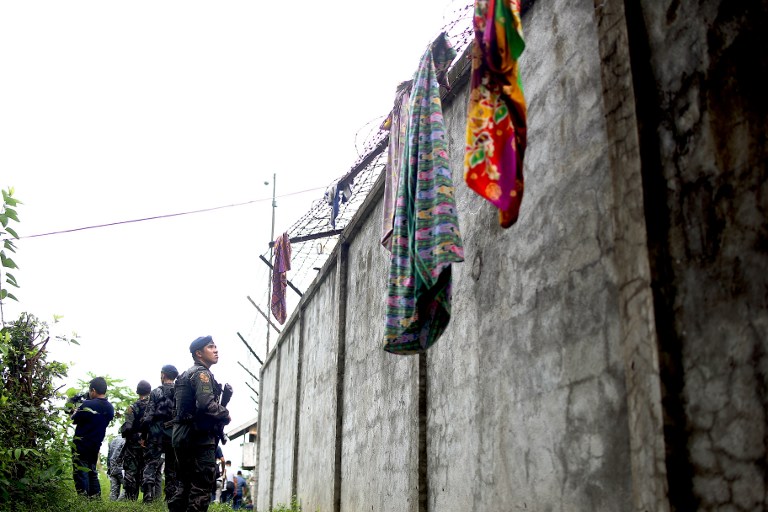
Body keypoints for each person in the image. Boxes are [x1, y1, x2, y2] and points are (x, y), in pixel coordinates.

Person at [168, 335, 231, 512]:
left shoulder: (184, 375)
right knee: (201, 486)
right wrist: (225, 413)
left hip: (181, 434)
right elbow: (205, 404)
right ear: (199, 353)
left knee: (184, 484)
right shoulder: (202, 374)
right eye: (211, 347)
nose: (216, 350)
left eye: (215, 346)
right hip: (198, 437)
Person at [70, 376, 115, 498]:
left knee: (81, 471)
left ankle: (83, 499)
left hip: (81, 444)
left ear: (93, 390)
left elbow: (73, 419)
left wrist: (75, 409)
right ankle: (95, 497)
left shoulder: (86, 404)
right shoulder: (110, 408)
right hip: (96, 445)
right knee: (92, 471)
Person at [142, 364, 179, 503]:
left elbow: (148, 417)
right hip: (174, 435)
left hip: (156, 434)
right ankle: (170, 497)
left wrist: (143, 436)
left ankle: (148, 496)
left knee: (151, 464)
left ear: (163, 375)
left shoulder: (155, 392)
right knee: (172, 467)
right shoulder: (180, 392)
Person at [120, 379, 152, 501]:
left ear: (137, 391)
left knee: (131, 471)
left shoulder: (132, 408)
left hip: (133, 444)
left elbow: (127, 427)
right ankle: (148, 497)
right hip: (149, 444)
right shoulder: (153, 408)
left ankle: (130, 498)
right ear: (150, 391)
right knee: (147, 470)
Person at [106, 436, 126, 501]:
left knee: (113, 491)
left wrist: (109, 469)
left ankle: (112, 506)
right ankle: (118, 504)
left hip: (112, 468)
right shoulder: (125, 441)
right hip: (121, 468)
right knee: (127, 488)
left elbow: (108, 456)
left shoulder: (112, 441)